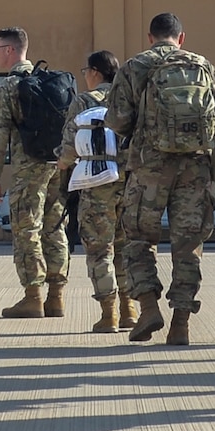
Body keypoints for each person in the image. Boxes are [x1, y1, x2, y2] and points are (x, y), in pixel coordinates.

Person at [105, 12, 215, 346]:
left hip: (149, 168)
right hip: (195, 170)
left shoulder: (135, 66)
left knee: (138, 239)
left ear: (150, 37)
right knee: (188, 246)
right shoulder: (204, 67)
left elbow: (117, 120)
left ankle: (147, 308)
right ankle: (181, 324)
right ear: (181, 37)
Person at [0, 27, 72, 318]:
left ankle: (33, 296)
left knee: (26, 230)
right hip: (56, 166)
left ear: (10, 50)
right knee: (54, 227)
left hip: (28, 169)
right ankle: (56, 297)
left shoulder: (7, 87)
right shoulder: (51, 81)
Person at [60, 49, 131, 331]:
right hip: (126, 182)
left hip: (95, 185)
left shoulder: (83, 101)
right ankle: (130, 309)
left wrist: (63, 165)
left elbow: (69, 143)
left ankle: (109, 312)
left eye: (85, 71)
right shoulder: (126, 99)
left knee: (100, 249)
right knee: (125, 247)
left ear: (95, 73)